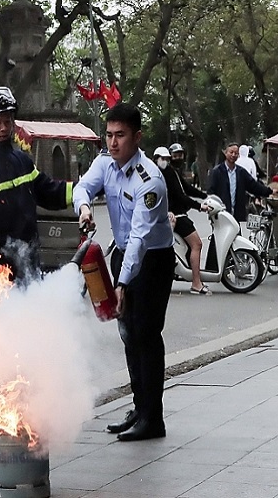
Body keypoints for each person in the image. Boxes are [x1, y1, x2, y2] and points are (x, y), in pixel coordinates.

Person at [73, 103, 175, 441]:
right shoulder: (106, 164)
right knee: (128, 335)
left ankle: (153, 418)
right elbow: (82, 187)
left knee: (146, 335)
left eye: (121, 135)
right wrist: (85, 208)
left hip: (152, 260)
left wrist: (123, 283)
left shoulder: (150, 180)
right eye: (109, 135)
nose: (113, 142)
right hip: (124, 255)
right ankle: (139, 406)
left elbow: (140, 239)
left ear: (137, 137)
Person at [0, 86, 73, 283]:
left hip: (29, 258)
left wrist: (85, 190)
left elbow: (49, 192)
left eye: (7, 121)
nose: (3, 128)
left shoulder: (22, 161)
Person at [155, 145, 210, 295]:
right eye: (163, 158)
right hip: (176, 216)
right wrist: (199, 206)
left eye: (180, 155)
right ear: (156, 159)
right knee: (197, 244)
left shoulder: (173, 172)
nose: (166, 160)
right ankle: (196, 283)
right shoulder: (163, 173)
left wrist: (206, 196)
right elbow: (180, 196)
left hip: (177, 214)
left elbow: (187, 189)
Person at [207, 142, 274, 222]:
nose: (233, 155)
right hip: (221, 214)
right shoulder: (217, 172)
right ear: (225, 153)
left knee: (237, 234)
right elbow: (211, 192)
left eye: (236, 153)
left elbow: (253, 186)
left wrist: (269, 191)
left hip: (236, 214)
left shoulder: (241, 172)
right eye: (231, 152)